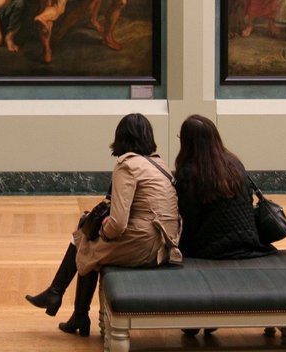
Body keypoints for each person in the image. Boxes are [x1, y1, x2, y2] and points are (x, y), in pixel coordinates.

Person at [25, 113, 181, 337]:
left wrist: (103, 232)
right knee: (87, 239)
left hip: (144, 245)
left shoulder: (127, 165)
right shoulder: (159, 164)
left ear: (120, 137)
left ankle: (66, 302)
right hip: (166, 244)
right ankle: (69, 307)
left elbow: (117, 224)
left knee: (86, 240)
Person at [174, 114, 274, 261]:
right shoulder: (235, 164)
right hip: (250, 240)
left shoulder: (190, 172)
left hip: (212, 247)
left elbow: (188, 219)